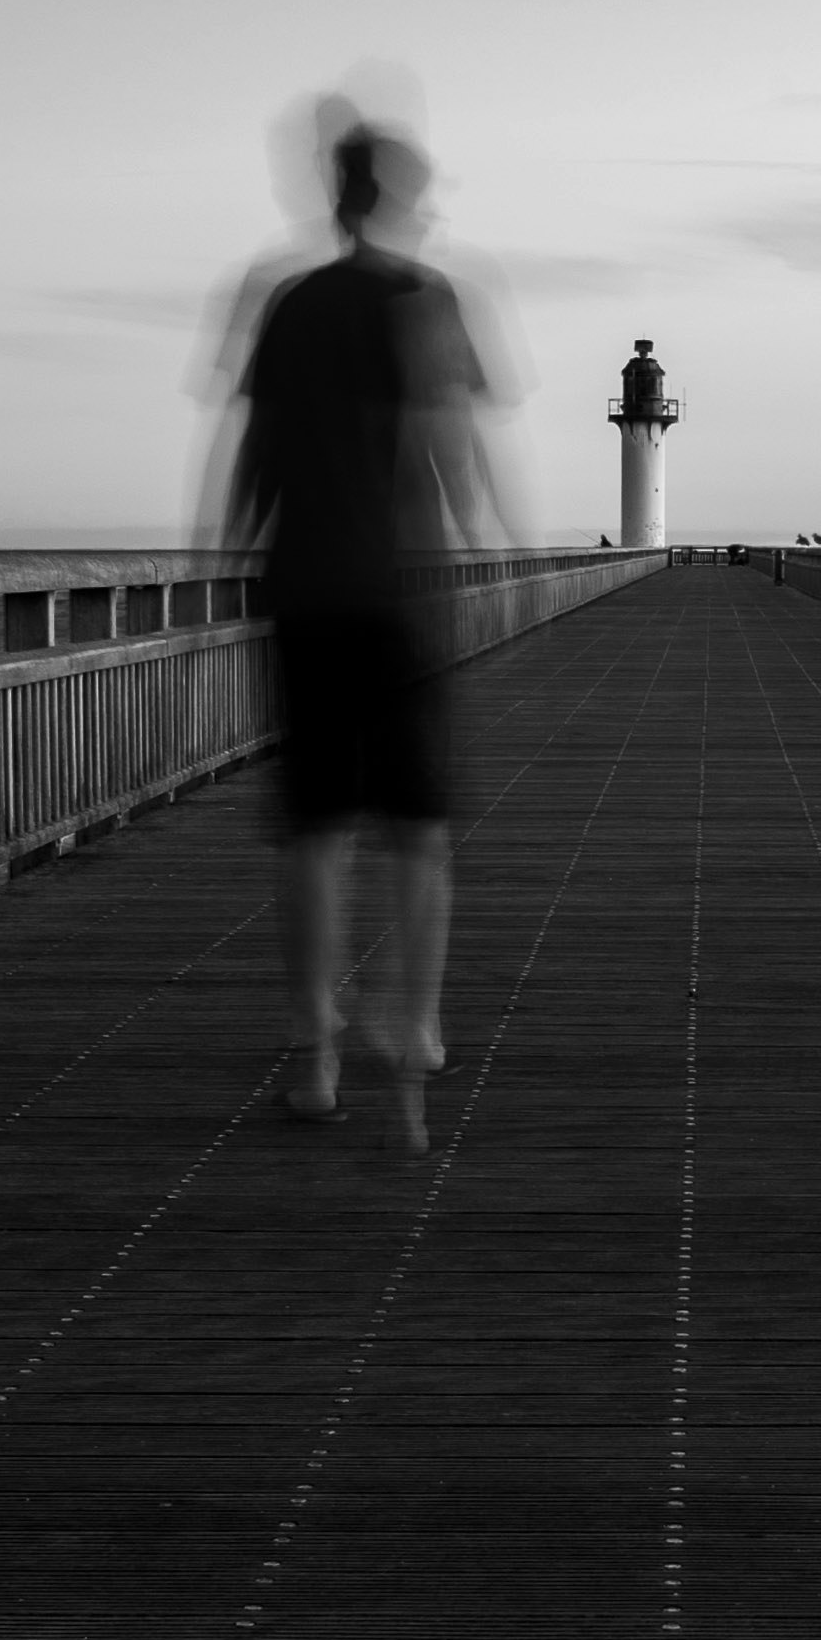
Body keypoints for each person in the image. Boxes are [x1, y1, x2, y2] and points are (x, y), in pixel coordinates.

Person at [203, 105, 506, 1152]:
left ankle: (313, 1056)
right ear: (398, 196)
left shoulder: (287, 301)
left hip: (305, 589)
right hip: (403, 593)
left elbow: (253, 453)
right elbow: (452, 442)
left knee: (316, 834)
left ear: (334, 195)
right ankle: (414, 1025)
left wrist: (223, 552)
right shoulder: (428, 297)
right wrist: (491, 532)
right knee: (419, 831)